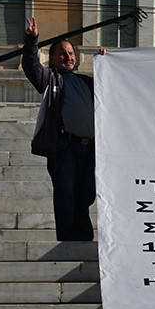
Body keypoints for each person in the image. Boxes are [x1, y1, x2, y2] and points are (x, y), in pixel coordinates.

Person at [22, 18, 104, 242]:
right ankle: (68, 241)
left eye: (71, 53)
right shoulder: (50, 79)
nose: (68, 57)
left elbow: (112, 87)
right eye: (62, 54)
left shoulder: (86, 81)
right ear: (52, 59)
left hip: (89, 149)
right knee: (66, 193)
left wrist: (108, 62)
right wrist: (32, 41)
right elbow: (31, 66)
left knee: (86, 194)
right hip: (64, 147)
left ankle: (83, 238)